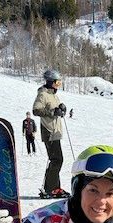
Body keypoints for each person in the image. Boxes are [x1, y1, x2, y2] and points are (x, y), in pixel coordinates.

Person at [33, 69, 69, 199]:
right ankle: (50, 189)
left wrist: (61, 107)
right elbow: (36, 110)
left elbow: (54, 107)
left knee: (56, 160)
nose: (58, 85)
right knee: (56, 160)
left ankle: (54, 188)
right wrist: (53, 112)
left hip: (55, 131)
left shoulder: (52, 94)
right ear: (50, 82)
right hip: (49, 131)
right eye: (57, 82)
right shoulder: (43, 94)